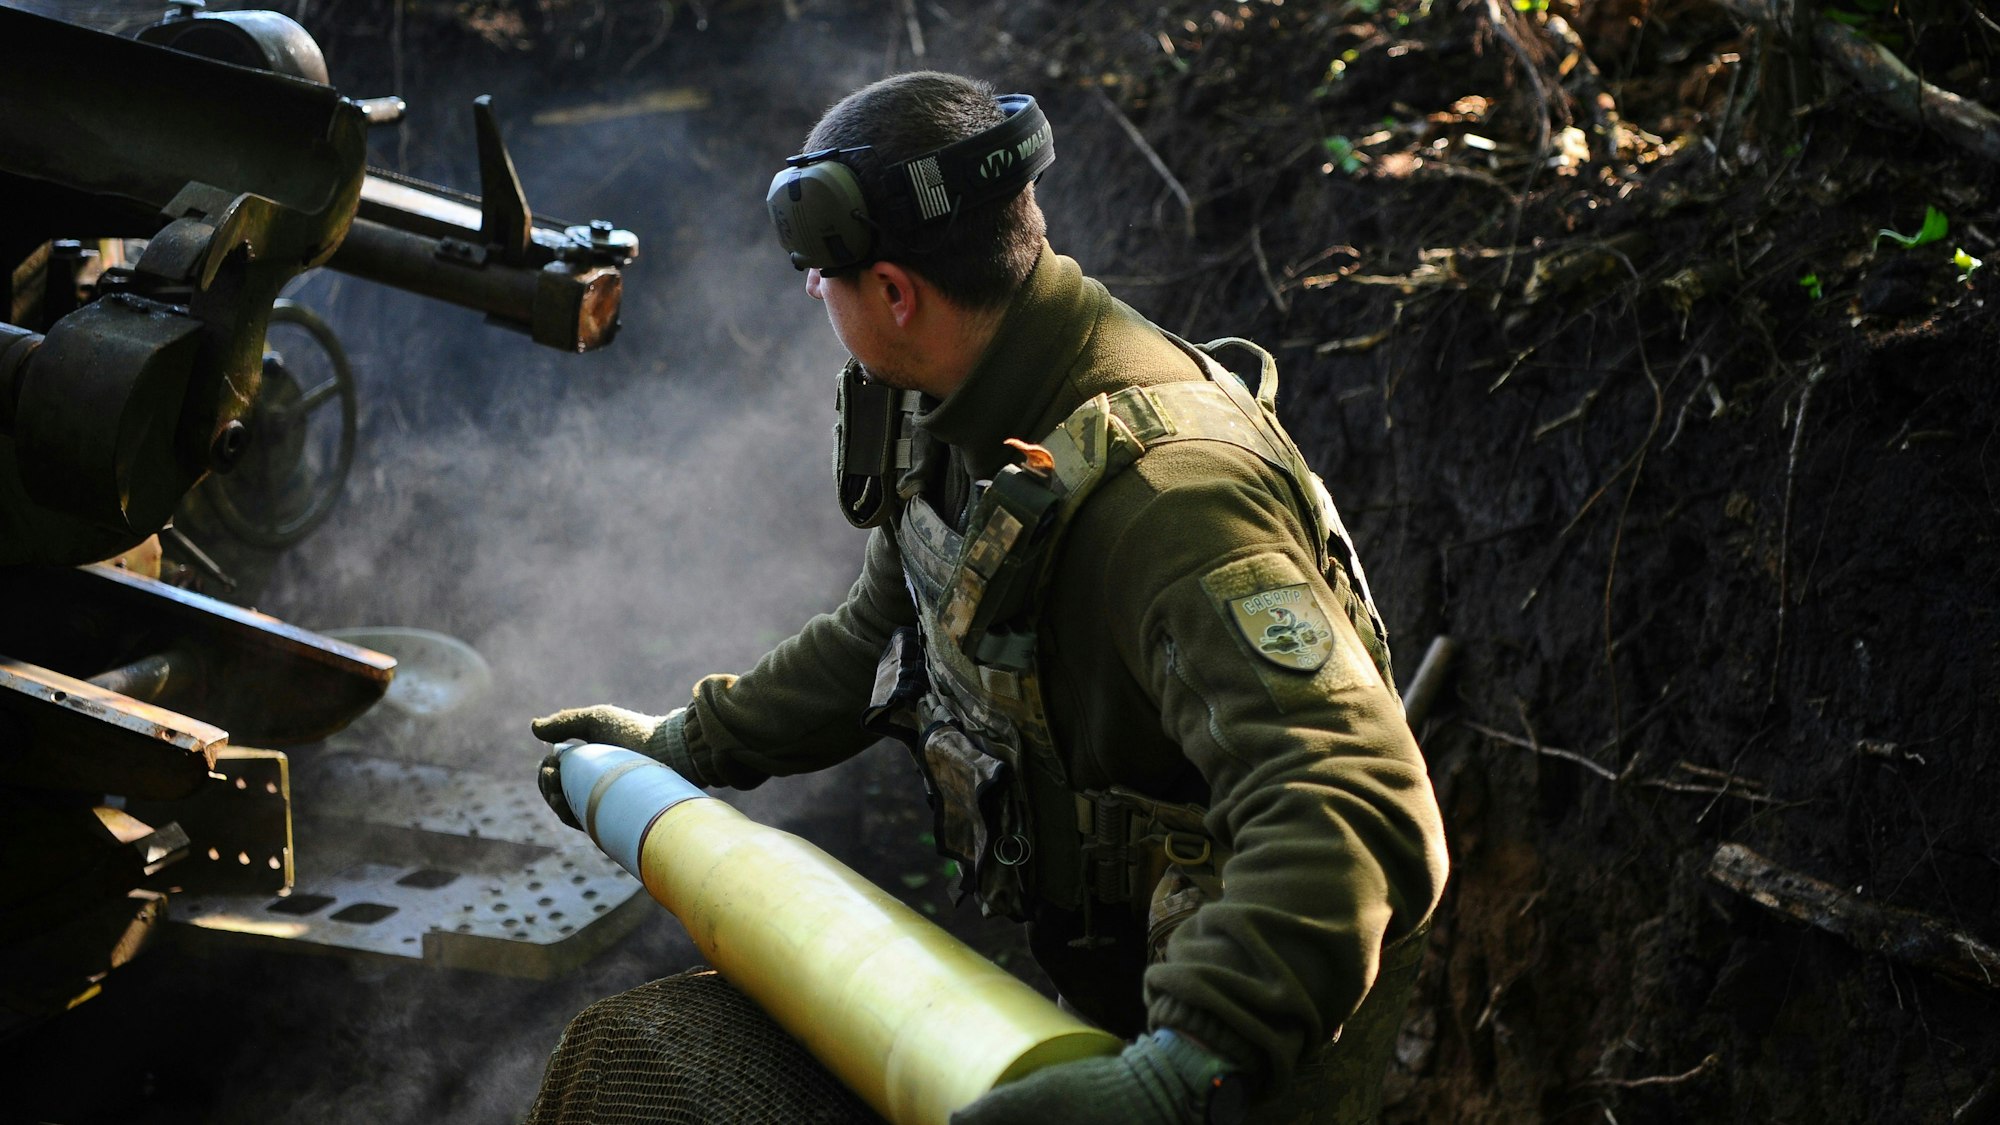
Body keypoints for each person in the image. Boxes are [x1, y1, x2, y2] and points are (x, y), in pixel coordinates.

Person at [531, 70, 1448, 1125]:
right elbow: (880, 635)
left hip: (1253, 1025)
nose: (812, 294)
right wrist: (686, 743)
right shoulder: (963, 403)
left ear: (894, 292)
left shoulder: (1170, 499)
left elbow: (1352, 797)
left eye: (822, 274)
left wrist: (1178, 1071)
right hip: (1122, 992)